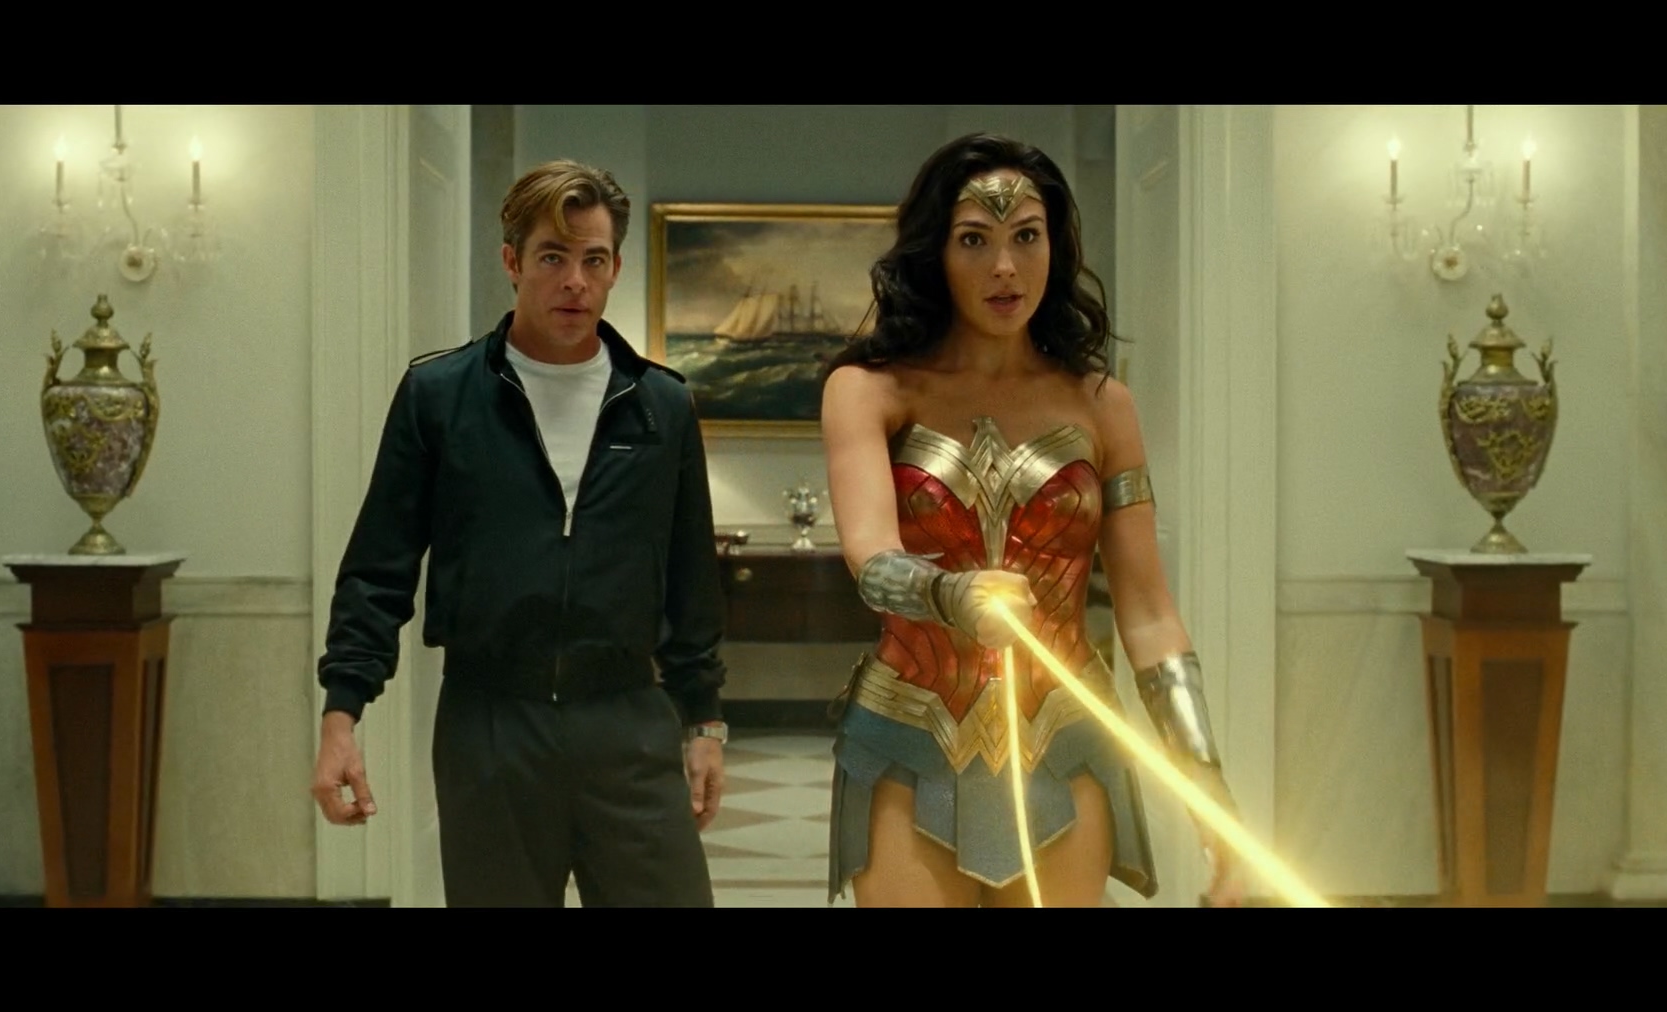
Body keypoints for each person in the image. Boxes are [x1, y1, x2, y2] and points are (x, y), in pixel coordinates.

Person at [821, 133, 1246, 908]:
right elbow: (871, 558)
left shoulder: (1103, 405)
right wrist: (952, 594)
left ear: (1057, 245)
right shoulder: (869, 388)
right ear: (934, 251)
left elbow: (1150, 615)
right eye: (973, 240)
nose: (1005, 268)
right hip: (911, 735)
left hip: (1064, 736)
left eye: (1026, 236)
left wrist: (1208, 787)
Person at [310, 159, 730, 908]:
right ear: (512, 262)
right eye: (552, 257)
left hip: (627, 720)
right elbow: (378, 568)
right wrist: (341, 715)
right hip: (490, 724)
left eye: (593, 260)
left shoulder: (660, 406)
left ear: (615, 268)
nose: (574, 281)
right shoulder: (440, 396)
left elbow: (692, 577)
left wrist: (706, 720)